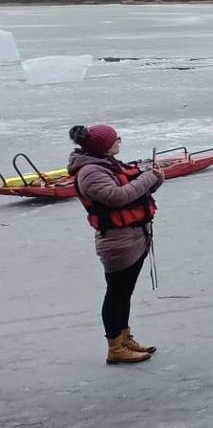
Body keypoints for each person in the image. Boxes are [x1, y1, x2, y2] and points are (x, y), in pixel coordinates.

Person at [69, 124, 164, 364]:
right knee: (117, 293)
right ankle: (115, 346)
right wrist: (147, 178)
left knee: (125, 292)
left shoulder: (107, 164)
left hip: (132, 237)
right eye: (115, 139)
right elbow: (116, 197)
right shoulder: (91, 171)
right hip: (118, 240)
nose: (119, 141)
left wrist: (154, 180)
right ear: (104, 146)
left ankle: (124, 337)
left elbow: (131, 190)